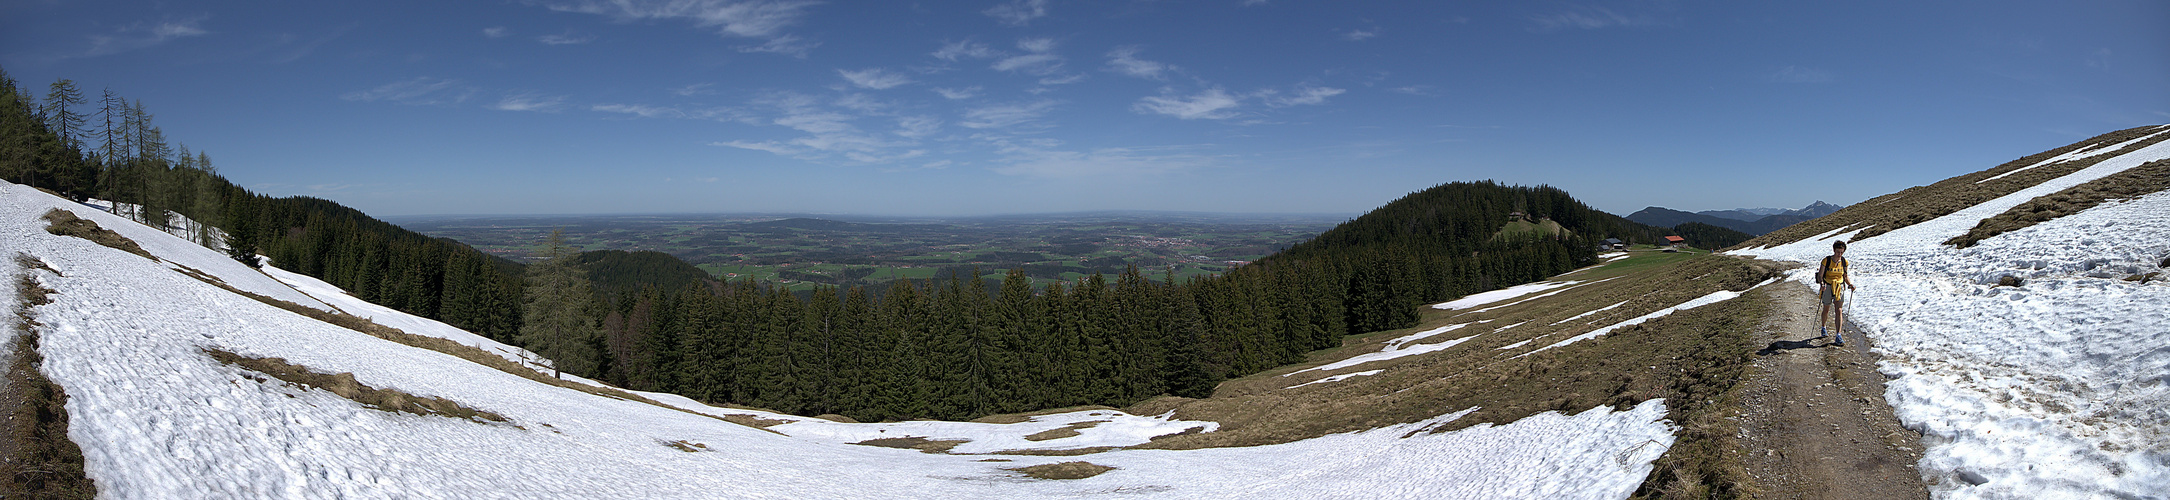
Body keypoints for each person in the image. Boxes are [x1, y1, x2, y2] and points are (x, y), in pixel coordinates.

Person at [1817, 240, 1858, 346]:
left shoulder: (1844, 262)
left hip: (1839, 287)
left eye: (1841, 252)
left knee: (1839, 310)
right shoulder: (1826, 261)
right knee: (1826, 309)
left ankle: (1838, 335)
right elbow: (1820, 275)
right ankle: (1823, 327)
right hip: (1827, 286)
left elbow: (1845, 275)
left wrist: (1850, 284)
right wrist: (1822, 284)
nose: (1839, 254)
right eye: (1837, 252)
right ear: (1834, 250)